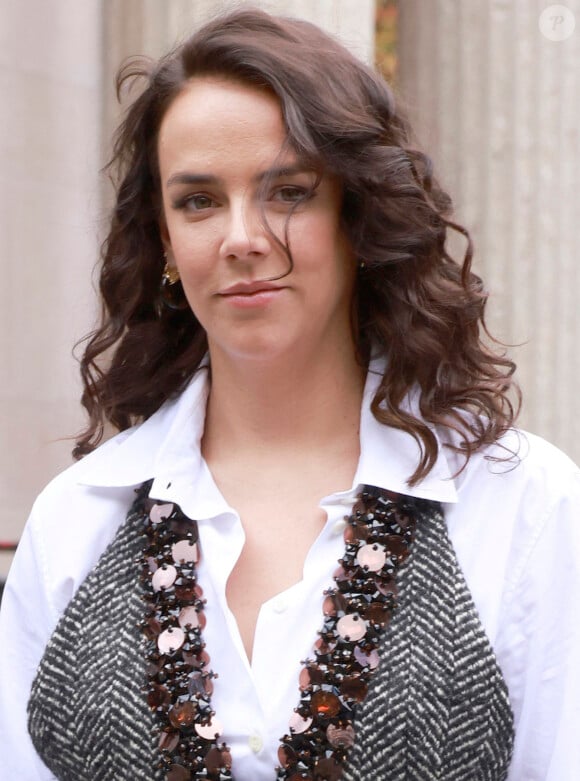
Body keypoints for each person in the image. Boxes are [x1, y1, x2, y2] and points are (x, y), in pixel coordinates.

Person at [0, 8, 578, 781]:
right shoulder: (76, 520)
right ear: (167, 241)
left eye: (289, 191)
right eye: (198, 200)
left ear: (357, 213)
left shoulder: (523, 506)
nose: (242, 237)